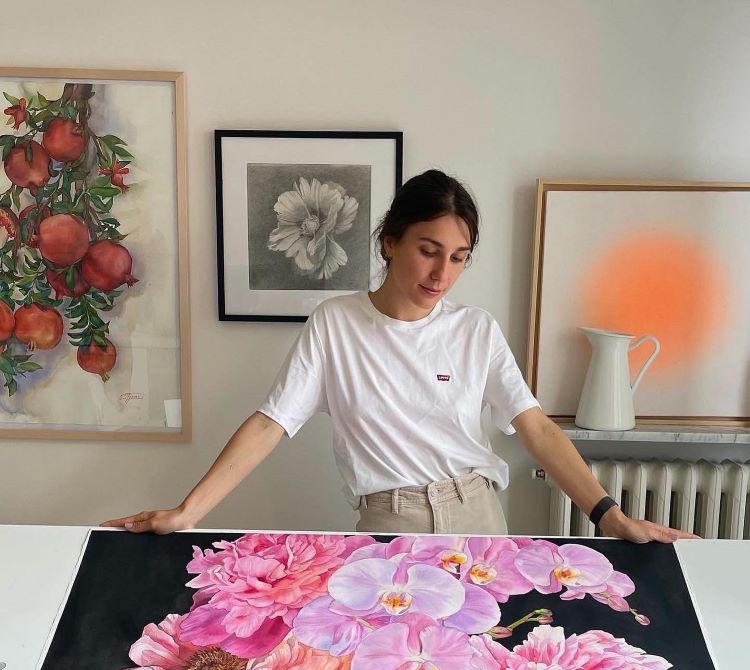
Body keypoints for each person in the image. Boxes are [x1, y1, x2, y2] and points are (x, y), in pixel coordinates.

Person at [102, 170, 695, 543]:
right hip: (392, 521)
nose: (442, 273)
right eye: (428, 250)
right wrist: (188, 511)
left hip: (478, 514)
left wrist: (607, 514)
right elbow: (270, 423)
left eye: (460, 257)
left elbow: (535, 428)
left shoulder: (475, 330)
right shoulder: (335, 324)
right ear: (390, 241)